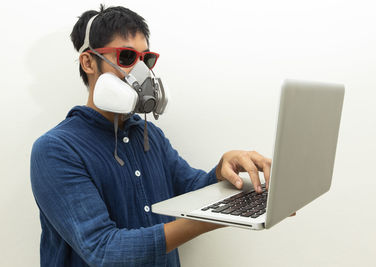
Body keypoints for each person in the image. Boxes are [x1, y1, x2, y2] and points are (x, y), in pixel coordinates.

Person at [30, 5, 274, 267]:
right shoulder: (56, 149)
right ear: (88, 62)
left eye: (145, 59)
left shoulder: (149, 135)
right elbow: (103, 250)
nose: (140, 73)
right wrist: (207, 221)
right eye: (126, 57)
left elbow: (191, 190)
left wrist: (224, 168)